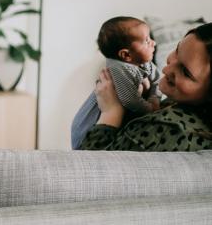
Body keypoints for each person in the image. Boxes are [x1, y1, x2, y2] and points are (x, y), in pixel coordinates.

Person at [79, 22, 212, 151]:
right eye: (177, 50)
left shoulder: (168, 128)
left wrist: (111, 112)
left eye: (186, 72)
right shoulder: (181, 105)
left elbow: (86, 166)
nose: (166, 69)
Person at [71, 16, 161, 149]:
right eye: (146, 41)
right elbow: (130, 100)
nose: (153, 43)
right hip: (91, 125)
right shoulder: (120, 70)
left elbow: (157, 80)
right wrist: (150, 108)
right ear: (126, 55)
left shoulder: (143, 62)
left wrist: (155, 97)